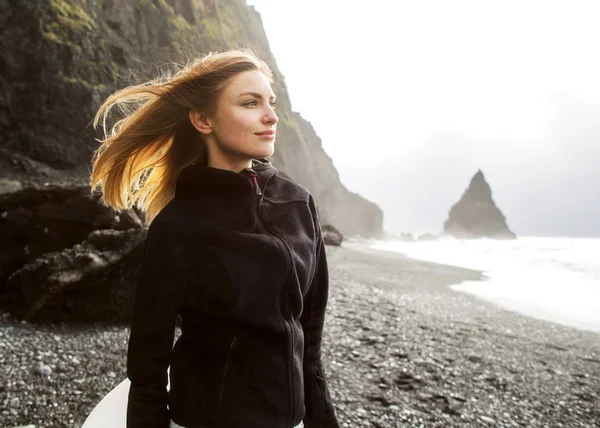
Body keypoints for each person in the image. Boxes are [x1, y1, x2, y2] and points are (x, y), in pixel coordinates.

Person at [89, 48, 341, 428]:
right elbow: (148, 362)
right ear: (203, 120)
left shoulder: (297, 203)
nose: (271, 116)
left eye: (270, 103)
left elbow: (310, 339)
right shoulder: (179, 226)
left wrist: (322, 421)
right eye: (250, 103)